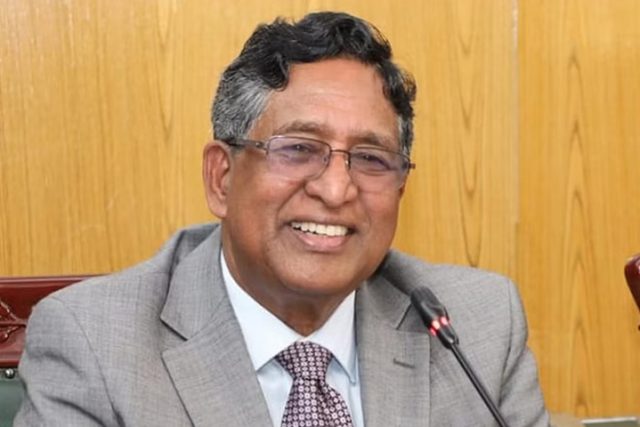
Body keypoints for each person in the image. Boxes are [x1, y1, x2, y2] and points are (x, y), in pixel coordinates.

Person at [15, 11, 550, 427]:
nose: (336, 190)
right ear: (222, 178)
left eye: (370, 158)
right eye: (298, 149)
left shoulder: (477, 328)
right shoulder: (96, 345)